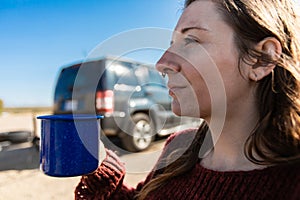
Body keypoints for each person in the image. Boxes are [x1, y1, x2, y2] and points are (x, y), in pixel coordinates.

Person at [75, 0, 300, 199]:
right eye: (172, 44)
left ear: (262, 59)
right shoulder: (179, 147)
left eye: (191, 40)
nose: (162, 63)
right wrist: (101, 170)